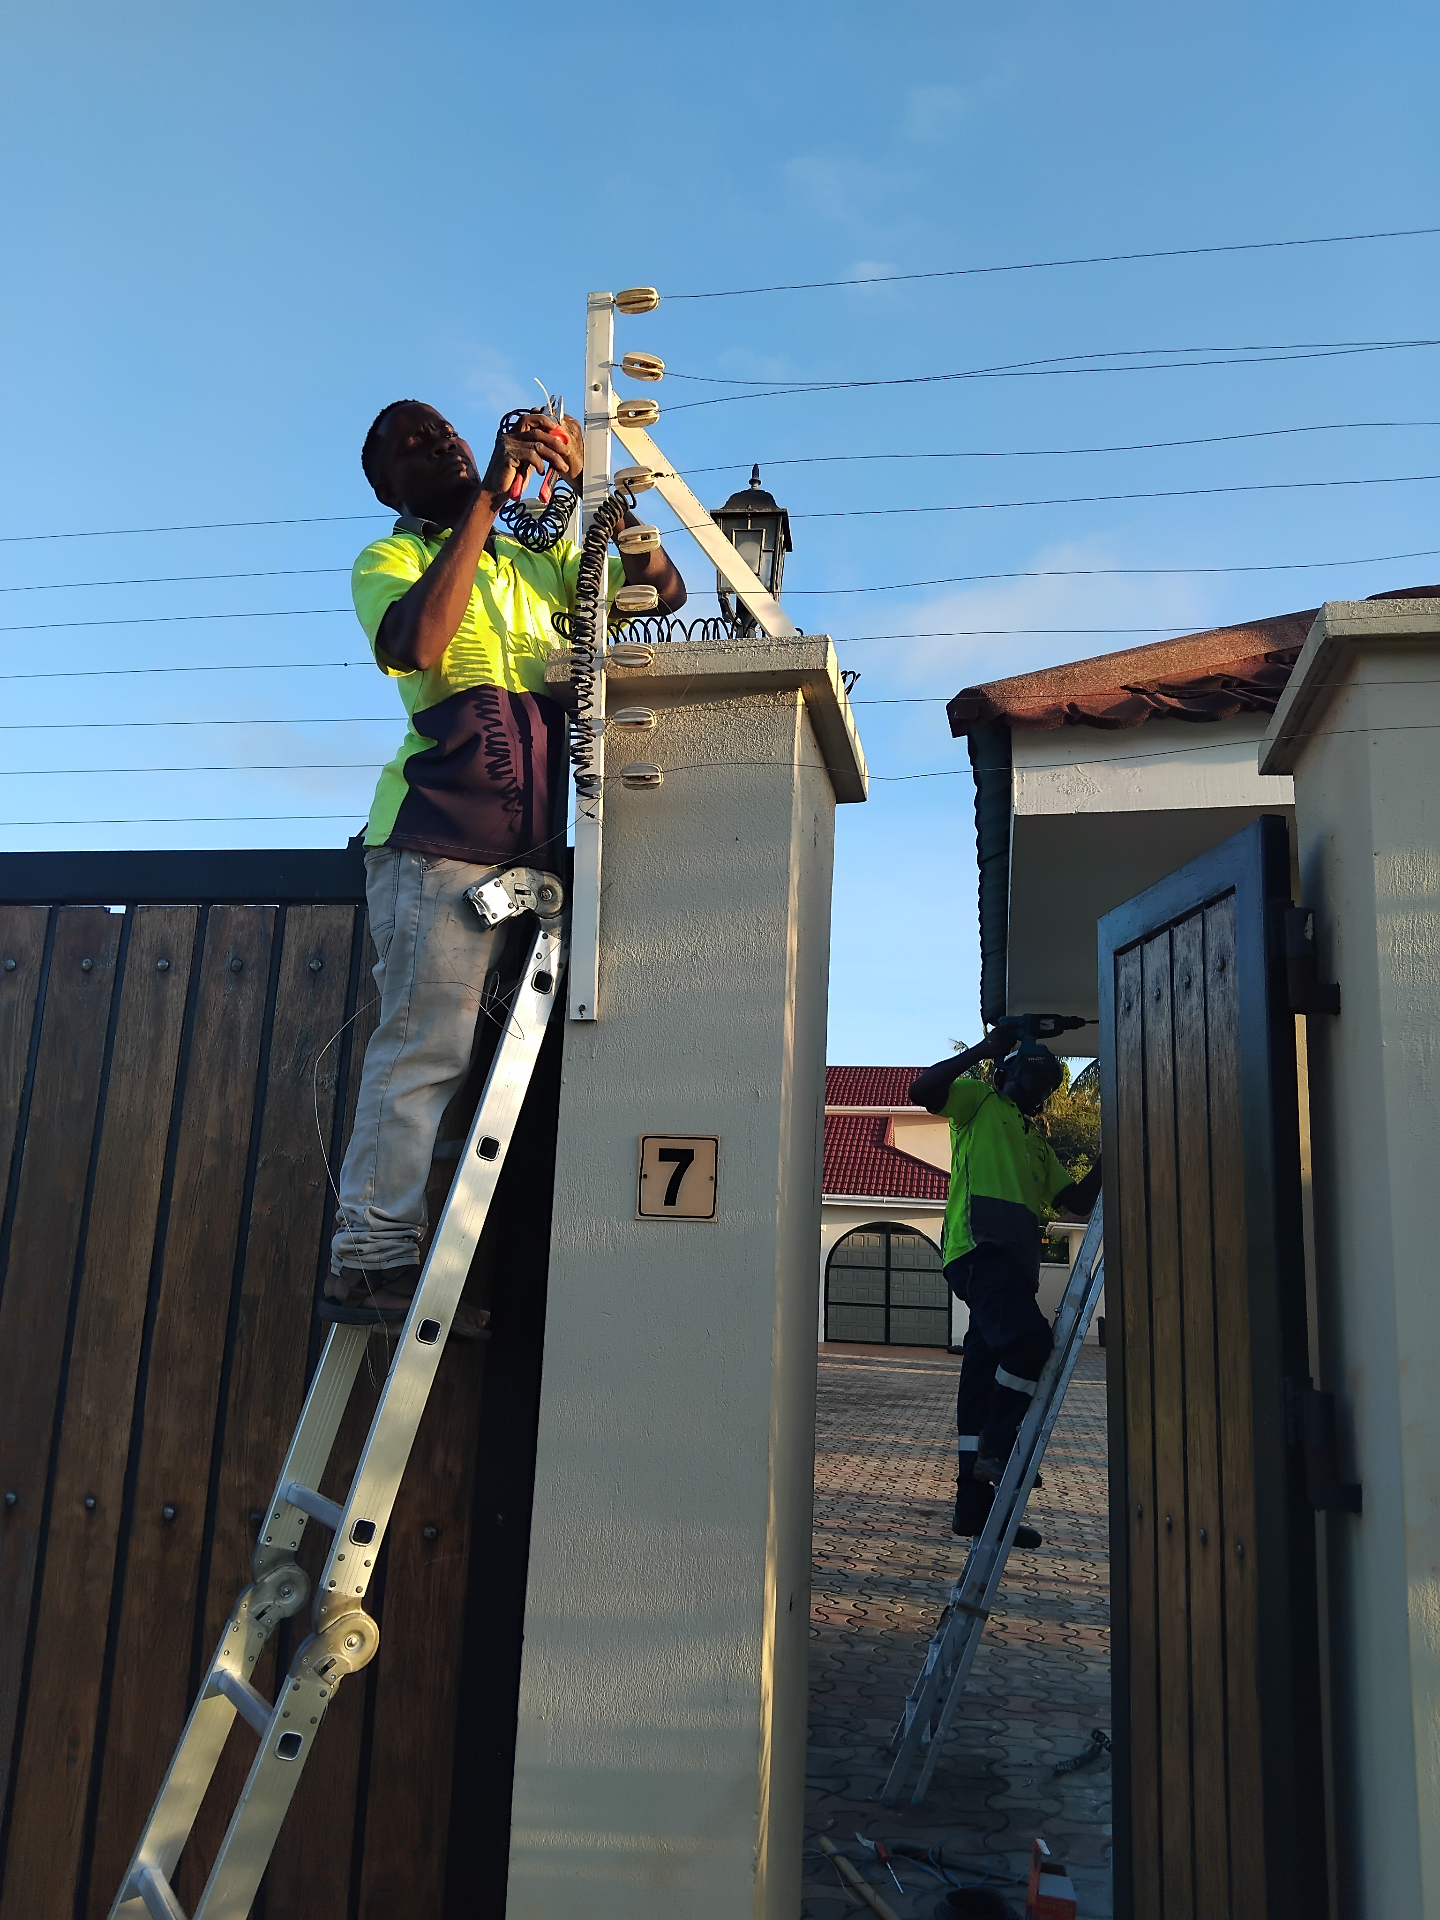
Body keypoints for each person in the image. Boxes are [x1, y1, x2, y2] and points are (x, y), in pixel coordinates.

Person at [323, 401, 686, 1336]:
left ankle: (432, 1256)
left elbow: (665, 587)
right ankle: (368, 1261)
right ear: (382, 488)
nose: (437, 443)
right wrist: (490, 490)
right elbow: (417, 644)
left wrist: (586, 489)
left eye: (443, 431)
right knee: (424, 1052)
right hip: (434, 846)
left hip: (529, 860)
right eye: (411, 446)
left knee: (486, 1067)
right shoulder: (392, 560)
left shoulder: (531, 564)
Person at [909, 1025, 1102, 1541]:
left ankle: (975, 1510)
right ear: (1007, 1070)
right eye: (1032, 1071)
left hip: (1012, 1268)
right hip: (979, 1251)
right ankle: (1000, 1444)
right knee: (1030, 1341)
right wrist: (984, 1050)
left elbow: (1075, 1202)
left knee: (980, 1378)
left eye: (1050, 1081)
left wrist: (1109, 1159)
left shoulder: (1035, 1141)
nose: (1042, 1083)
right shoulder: (979, 1102)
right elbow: (922, 1092)